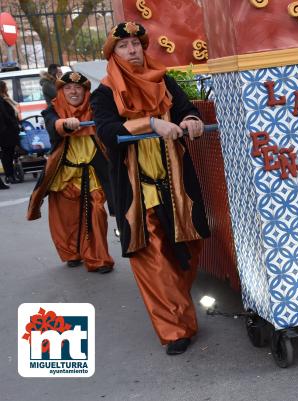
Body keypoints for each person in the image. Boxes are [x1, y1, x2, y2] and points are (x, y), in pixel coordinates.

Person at [90, 21, 210, 355]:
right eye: (123, 46)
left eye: (136, 44)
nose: (132, 50)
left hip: (177, 189)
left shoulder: (165, 81)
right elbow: (108, 132)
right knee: (153, 263)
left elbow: (186, 108)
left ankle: (180, 313)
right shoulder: (104, 93)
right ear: (113, 55)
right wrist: (151, 123)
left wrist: (191, 120)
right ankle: (175, 330)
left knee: (187, 256)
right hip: (138, 195)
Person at [27, 71, 115, 274]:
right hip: (64, 174)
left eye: (78, 88)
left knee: (97, 214)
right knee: (66, 219)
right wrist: (63, 124)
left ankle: (99, 259)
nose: (73, 91)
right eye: (68, 88)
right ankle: (72, 254)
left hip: (93, 172)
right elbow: (52, 124)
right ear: (61, 91)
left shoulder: (96, 107)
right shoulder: (53, 109)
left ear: (85, 91)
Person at [0, 81, 20, 188]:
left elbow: (14, 110)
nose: (7, 88)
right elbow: (6, 116)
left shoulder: (5, 99)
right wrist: (14, 125)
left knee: (10, 153)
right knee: (7, 154)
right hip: (6, 132)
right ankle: (9, 176)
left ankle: (11, 175)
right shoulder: (1, 101)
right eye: (5, 87)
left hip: (10, 131)